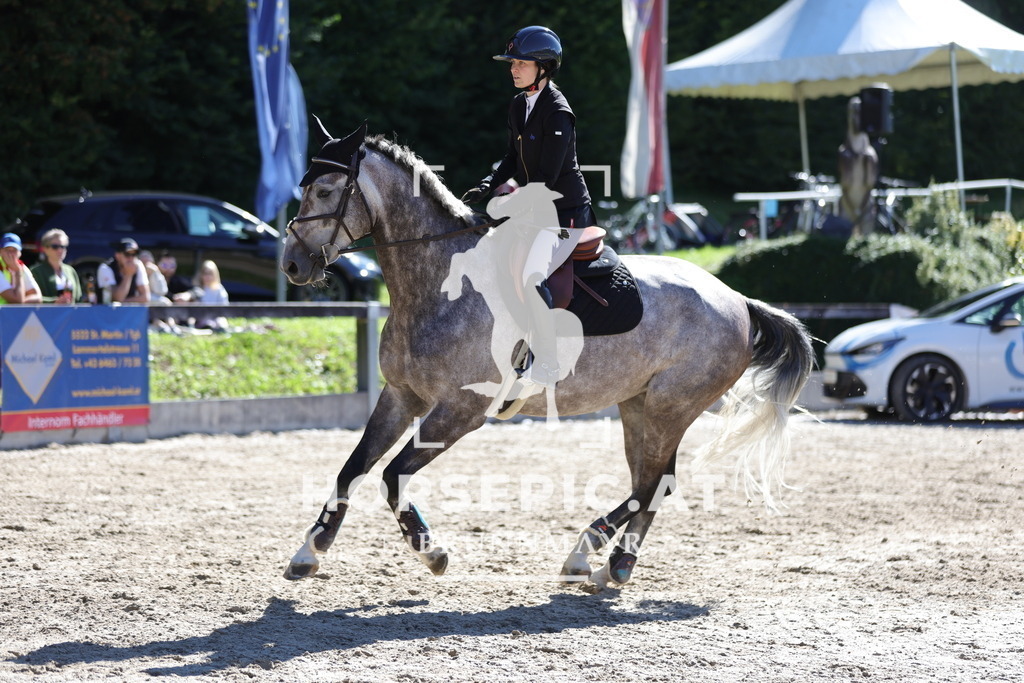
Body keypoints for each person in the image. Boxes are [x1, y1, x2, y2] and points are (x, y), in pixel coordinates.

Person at [461, 26, 594, 389]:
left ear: (544, 67)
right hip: (533, 208)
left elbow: (546, 181)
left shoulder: (558, 112)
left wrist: (506, 204)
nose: (513, 69)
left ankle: (548, 362)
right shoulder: (520, 103)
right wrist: (489, 185)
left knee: (533, 276)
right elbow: (511, 158)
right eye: (512, 63)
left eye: (520, 63)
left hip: (563, 214)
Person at [30, 228, 82, 303]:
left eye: (63, 246)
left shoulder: (71, 271)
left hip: (71, 313)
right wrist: (54, 302)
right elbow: (31, 299)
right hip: (47, 313)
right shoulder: (36, 271)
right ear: (45, 248)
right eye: (55, 246)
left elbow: (78, 299)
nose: (60, 250)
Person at [178, 259, 229, 331]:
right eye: (205, 273)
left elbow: (224, 308)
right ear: (201, 275)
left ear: (215, 275)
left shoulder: (220, 290)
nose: (207, 276)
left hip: (216, 317)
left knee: (221, 322)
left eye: (210, 273)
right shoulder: (197, 289)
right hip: (199, 319)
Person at [96, 237, 150, 304]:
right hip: (106, 311)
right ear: (117, 255)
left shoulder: (138, 265)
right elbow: (117, 298)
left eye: (134, 254)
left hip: (129, 311)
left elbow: (145, 297)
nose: (131, 258)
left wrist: (123, 302)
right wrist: (128, 275)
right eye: (127, 254)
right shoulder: (105, 268)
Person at [0, 233, 43, 304]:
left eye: (14, 250)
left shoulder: (22, 267)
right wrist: (18, 272)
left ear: (20, 253)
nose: (11, 254)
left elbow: (38, 297)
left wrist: (21, 301)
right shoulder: (19, 269)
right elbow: (17, 301)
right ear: (0, 251)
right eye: (7, 250)